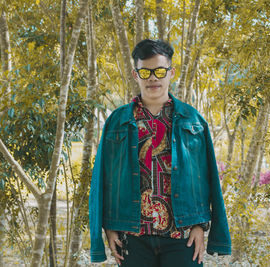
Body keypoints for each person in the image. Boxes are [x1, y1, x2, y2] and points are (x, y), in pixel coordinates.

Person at [89, 39, 231, 267]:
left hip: (182, 236)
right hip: (133, 237)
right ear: (136, 75)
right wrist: (109, 226)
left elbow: (207, 179)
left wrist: (199, 225)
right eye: (145, 71)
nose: (153, 78)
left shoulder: (193, 121)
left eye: (159, 71)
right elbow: (103, 179)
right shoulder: (117, 121)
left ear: (170, 73)